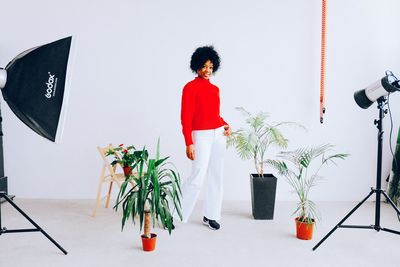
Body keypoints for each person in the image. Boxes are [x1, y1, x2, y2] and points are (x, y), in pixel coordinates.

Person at [180, 46, 231, 230]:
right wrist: (189, 142)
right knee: (197, 176)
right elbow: (186, 118)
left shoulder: (215, 89)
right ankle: (176, 214)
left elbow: (214, 114)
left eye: (210, 67)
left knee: (216, 176)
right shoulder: (190, 88)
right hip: (200, 136)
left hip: (218, 135)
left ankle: (211, 215)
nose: (207, 70)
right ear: (196, 66)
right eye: (204, 66)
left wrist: (225, 124)